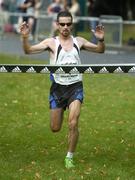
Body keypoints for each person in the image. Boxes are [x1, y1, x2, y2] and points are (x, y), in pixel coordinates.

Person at [20, 10, 105, 169]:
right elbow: (28, 51)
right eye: (62, 24)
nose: (65, 27)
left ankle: (69, 157)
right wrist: (25, 37)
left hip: (75, 87)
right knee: (55, 128)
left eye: (68, 24)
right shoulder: (51, 43)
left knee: (73, 123)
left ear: (72, 25)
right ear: (57, 25)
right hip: (58, 89)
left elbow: (100, 50)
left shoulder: (78, 41)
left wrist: (101, 40)